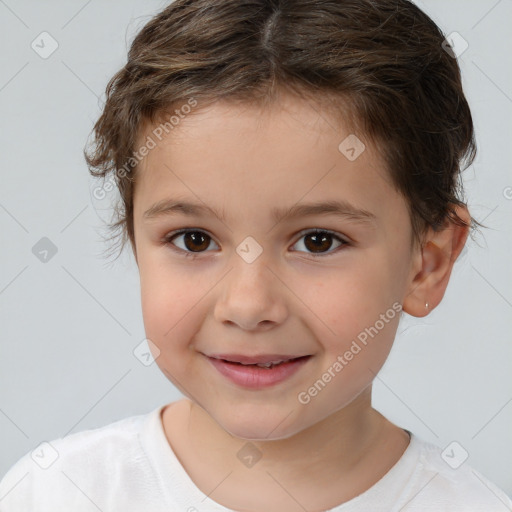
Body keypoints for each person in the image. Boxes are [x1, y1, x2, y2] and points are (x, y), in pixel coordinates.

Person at [1, 0, 511, 510]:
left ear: (428, 264)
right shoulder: (55, 494)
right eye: (194, 240)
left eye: (318, 241)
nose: (248, 306)